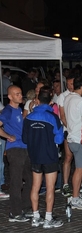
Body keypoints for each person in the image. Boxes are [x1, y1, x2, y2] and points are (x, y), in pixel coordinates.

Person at [22, 87, 64, 228]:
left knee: (35, 186)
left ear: (38, 101)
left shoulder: (28, 118)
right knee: (50, 188)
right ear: (51, 102)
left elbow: (25, 139)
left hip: (34, 156)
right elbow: (59, 140)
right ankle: (48, 219)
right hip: (49, 156)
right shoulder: (53, 117)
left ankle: (35, 217)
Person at [0, 85, 32, 222]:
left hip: (24, 147)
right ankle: (15, 212)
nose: (20, 96)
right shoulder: (7, 111)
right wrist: (7, 136)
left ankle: (25, 207)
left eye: (20, 93)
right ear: (10, 97)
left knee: (30, 179)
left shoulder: (18, 109)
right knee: (16, 181)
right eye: (17, 94)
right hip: (15, 149)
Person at [64, 76, 82, 210]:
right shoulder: (80, 101)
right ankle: (75, 198)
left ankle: (76, 194)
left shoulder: (68, 97)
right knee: (80, 169)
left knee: (79, 167)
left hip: (71, 137)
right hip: (80, 138)